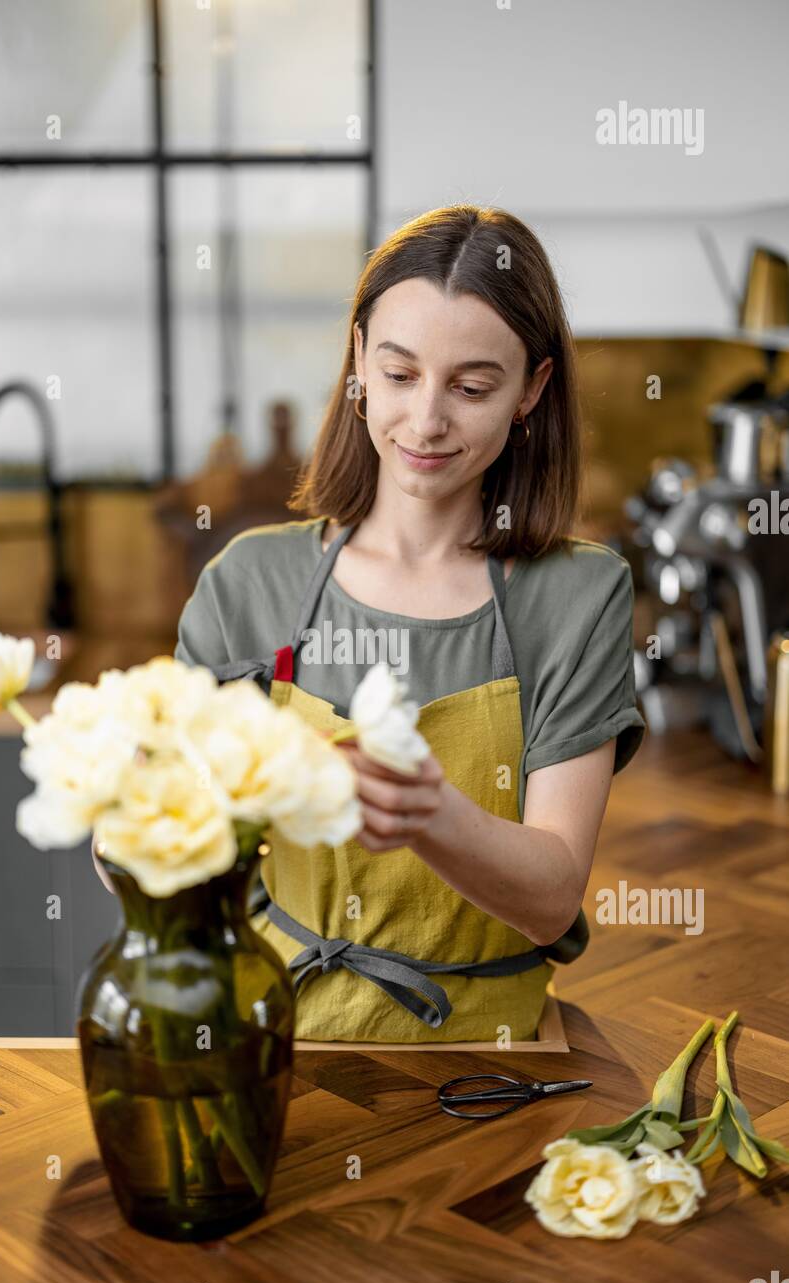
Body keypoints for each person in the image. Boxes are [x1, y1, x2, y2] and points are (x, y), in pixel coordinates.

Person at [164, 205, 645, 1043]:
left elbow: (550, 899)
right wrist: (127, 823)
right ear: (356, 362)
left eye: (470, 387)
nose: (425, 422)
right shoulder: (249, 581)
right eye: (397, 375)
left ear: (531, 389)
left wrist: (428, 814)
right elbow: (172, 852)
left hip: (487, 1060)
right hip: (275, 1040)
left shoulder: (578, 596)